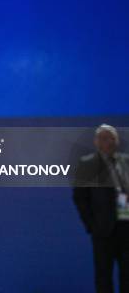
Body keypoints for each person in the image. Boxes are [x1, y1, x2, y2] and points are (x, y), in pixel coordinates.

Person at [74, 124, 129, 293]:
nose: (109, 142)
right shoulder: (88, 164)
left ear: (117, 141)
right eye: (104, 138)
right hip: (103, 230)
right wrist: (92, 225)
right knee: (103, 276)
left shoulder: (126, 161)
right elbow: (80, 198)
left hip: (126, 227)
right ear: (96, 142)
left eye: (112, 137)